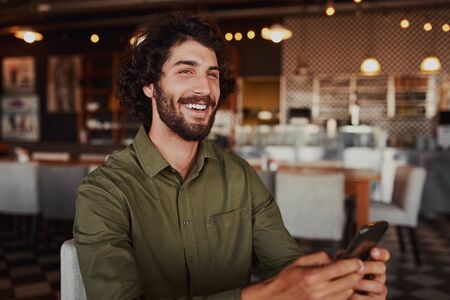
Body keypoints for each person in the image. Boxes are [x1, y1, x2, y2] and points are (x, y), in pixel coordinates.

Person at [74, 12, 389, 300]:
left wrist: (338, 284)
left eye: (212, 74)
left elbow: (286, 269)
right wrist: (266, 295)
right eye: (186, 71)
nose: (205, 88)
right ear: (149, 85)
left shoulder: (240, 176)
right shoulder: (104, 192)